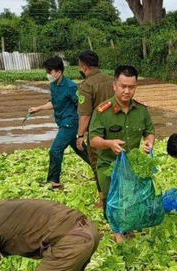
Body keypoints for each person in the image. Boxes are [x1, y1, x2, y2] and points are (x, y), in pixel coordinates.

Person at [88, 65, 155, 242]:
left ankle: (127, 227)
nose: (127, 91)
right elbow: (93, 140)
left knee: (131, 201)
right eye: (123, 86)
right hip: (108, 166)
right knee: (114, 202)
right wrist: (109, 143)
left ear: (135, 87)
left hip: (131, 166)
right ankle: (118, 233)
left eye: (131, 87)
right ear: (114, 85)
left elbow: (149, 131)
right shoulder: (103, 111)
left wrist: (149, 142)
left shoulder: (141, 110)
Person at [27, 56, 84, 191]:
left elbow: (82, 105)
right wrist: (38, 109)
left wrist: (84, 127)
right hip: (61, 122)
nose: (48, 74)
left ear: (59, 72)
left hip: (70, 123)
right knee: (81, 149)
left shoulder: (71, 86)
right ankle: (99, 169)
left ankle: (54, 182)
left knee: (55, 150)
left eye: (50, 71)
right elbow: (54, 102)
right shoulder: (53, 85)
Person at [74, 50, 116, 207]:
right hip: (115, 129)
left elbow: (85, 115)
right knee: (114, 162)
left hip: (97, 133)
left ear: (84, 67)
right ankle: (117, 194)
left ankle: (103, 199)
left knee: (98, 164)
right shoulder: (111, 80)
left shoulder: (86, 85)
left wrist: (80, 136)